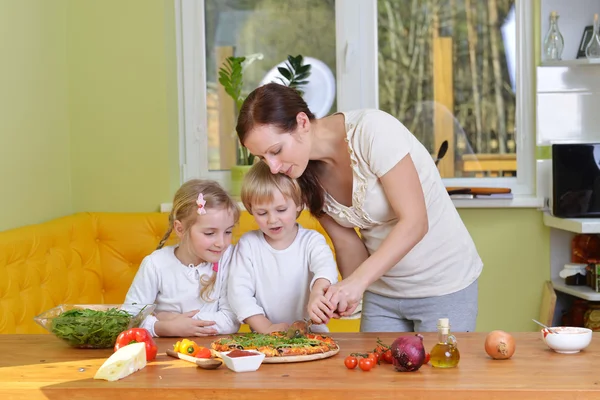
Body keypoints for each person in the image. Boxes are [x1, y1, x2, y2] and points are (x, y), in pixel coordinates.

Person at [235, 82, 483, 333]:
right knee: (375, 370)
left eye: (276, 151)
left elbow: (415, 222)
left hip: (443, 283)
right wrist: (335, 295)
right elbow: (346, 243)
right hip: (382, 292)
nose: (273, 167)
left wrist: (356, 282)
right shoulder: (301, 173)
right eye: (262, 158)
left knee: (439, 371)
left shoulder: (372, 131)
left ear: (302, 122)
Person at [228, 161, 339, 334]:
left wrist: (318, 292)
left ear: (299, 203)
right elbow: (238, 294)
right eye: (262, 213)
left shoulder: (312, 241)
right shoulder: (248, 244)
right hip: (264, 338)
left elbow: (326, 269)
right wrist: (267, 327)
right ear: (250, 209)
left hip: (314, 335)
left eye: (281, 210)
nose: (272, 220)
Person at [123, 179, 241, 337]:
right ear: (180, 229)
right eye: (209, 233)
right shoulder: (155, 264)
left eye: (228, 232)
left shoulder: (229, 259)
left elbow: (231, 320)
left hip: (212, 353)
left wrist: (172, 319)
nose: (221, 243)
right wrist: (164, 327)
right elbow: (129, 318)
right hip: (164, 354)